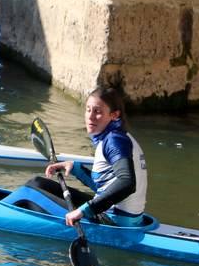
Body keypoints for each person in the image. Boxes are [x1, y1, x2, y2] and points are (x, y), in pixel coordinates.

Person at [43, 86, 148, 227]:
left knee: (33, 189)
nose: (90, 116)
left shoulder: (114, 141)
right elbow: (106, 186)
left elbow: (127, 183)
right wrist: (74, 168)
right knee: (41, 184)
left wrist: (83, 211)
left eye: (97, 111)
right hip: (127, 218)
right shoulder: (117, 136)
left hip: (115, 221)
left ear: (114, 115)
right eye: (88, 110)